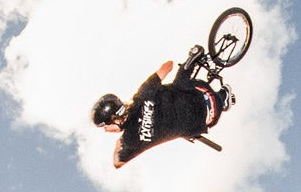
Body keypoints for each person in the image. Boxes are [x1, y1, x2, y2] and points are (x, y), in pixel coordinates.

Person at [93, 55, 232, 169]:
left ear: (116, 119)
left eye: (106, 126)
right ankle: (192, 62)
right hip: (202, 91)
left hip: (209, 116)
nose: (106, 130)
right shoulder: (143, 94)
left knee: (185, 128)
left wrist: (119, 142)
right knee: (179, 84)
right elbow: (168, 66)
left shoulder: (131, 140)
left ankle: (223, 98)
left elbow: (117, 163)